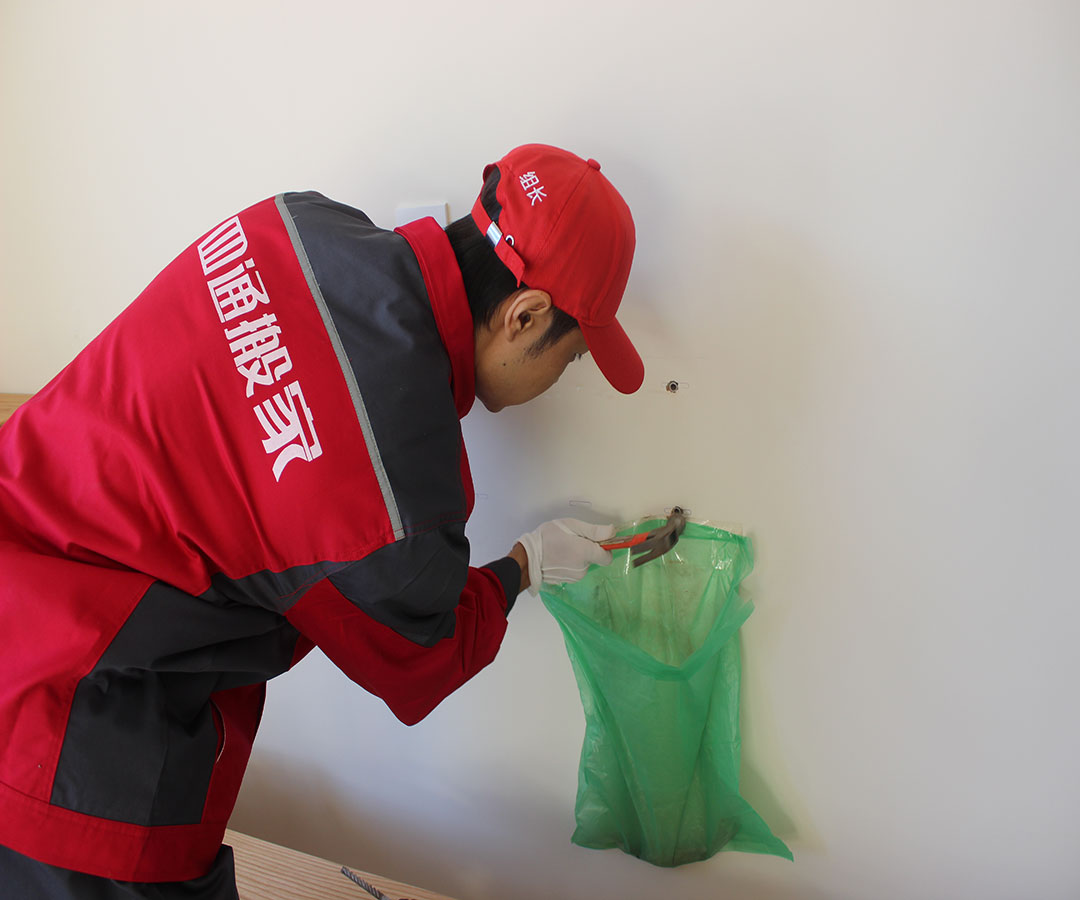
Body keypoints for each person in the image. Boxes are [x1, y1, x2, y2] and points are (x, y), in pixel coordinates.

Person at [0, 143, 642, 898]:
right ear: (524, 315)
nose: (560, 377)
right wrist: (525, 566)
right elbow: (423, 657)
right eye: (571, 358)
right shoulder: (393, 500)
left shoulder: (296, 221)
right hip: (71, 735)